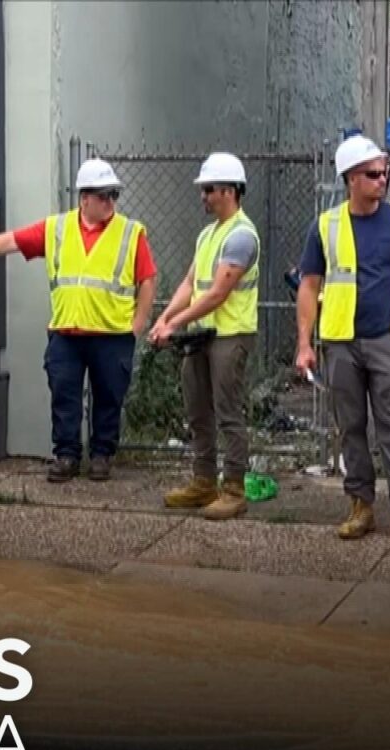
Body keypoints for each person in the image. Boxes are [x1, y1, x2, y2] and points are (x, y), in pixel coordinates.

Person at [0, 159, 157, 482]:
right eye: (103, 196)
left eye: (113, 195)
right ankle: (67, 456)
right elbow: (13, 241)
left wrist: (138, 324)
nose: (110, 202)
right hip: (66, 333)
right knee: (64, 395)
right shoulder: (57, 229)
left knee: (109, 398)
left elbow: (147, 280)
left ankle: (102, 455)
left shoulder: (130, 232)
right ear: (84, 198)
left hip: (112, 335)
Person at [293, 134, 390, 547]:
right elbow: (309, 285)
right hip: (341, 343)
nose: (382, 179)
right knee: (351, 427)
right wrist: (304, 344)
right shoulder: (326, 226)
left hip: (385, 341)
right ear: (350, 179)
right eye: (373, 174)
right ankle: (360, 505)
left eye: (385, 172)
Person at [148, 153, 260, 520]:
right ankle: (204, 481)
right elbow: (191, 283)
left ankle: (233, 489)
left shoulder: (242, 236)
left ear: (229, 191)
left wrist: (175, 324)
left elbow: (217, 294)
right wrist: (165, 317)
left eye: (208, 189)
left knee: (228, 413)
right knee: (198, 410)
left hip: (229, 334)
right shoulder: (208, 234)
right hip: (201, 334)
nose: (203, 196)